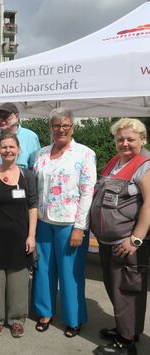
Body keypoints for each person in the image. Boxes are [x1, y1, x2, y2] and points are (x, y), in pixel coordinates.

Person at [32, 108, 97, 338]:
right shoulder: (41, 153)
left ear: (73, 128)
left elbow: (87, 192)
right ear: (51, 128)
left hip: (70, 222)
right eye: (56, 125)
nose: (61, 129)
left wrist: (80, 226)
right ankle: (45, 311)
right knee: (43, 270)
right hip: (42, 220)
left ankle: (74, 318)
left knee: (70, 274)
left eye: (65, 125)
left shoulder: (85, 154)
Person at [90, 118, 150, 355]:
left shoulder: (144, 165)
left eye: (131, 139)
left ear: (142, 140)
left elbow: (149, 205)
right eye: (120, 139)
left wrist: (135, 238)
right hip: (107, 240)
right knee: (116, 289)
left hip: (126, 243)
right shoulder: (116, 162)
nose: (125, 143)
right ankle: (126, 328)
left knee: (127, 291)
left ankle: (126, 343)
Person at [0, 132, 38, 338]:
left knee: (19, 282)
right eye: (4, 147)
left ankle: (16, 320)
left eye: (11, 147)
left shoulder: (27, 176)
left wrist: (31, 236)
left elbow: (33, 206)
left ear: (19, 150)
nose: (8, 151)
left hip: (20, 237)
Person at [0, 102, 40, 170]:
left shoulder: (31, 137)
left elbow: (35, 167)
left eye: (5, 116)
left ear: (16, 117)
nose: (1, 119)